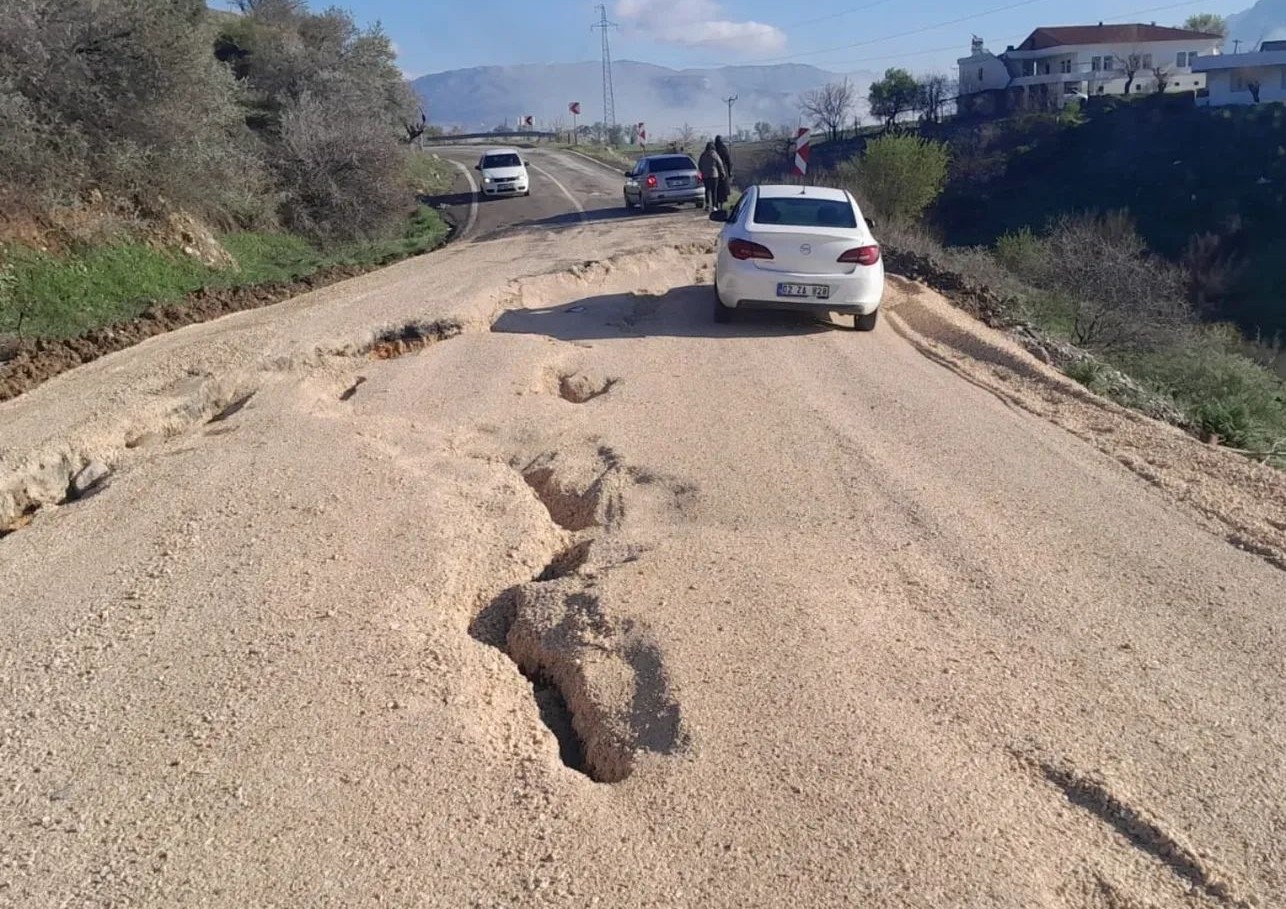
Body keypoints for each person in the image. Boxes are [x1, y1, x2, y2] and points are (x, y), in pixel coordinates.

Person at [698, 141, 726, 212]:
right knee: (714, 191)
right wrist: (722, 173)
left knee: (707, 190)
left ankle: (707, 205)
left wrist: (702, 172)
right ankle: (714, 206)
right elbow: (720, 164)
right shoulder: (714, 154)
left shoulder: (703, 155)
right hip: (714, 175)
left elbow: (699, 165)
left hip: (705, 175)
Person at [714, 135, 733, 209]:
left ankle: (717, 204)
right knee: (722, 188)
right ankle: (721, 205)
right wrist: (729, 170)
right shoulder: (724, 148)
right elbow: (728, 160)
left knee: (717, 188)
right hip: (724, 170)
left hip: (716, 170)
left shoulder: (714, 149)